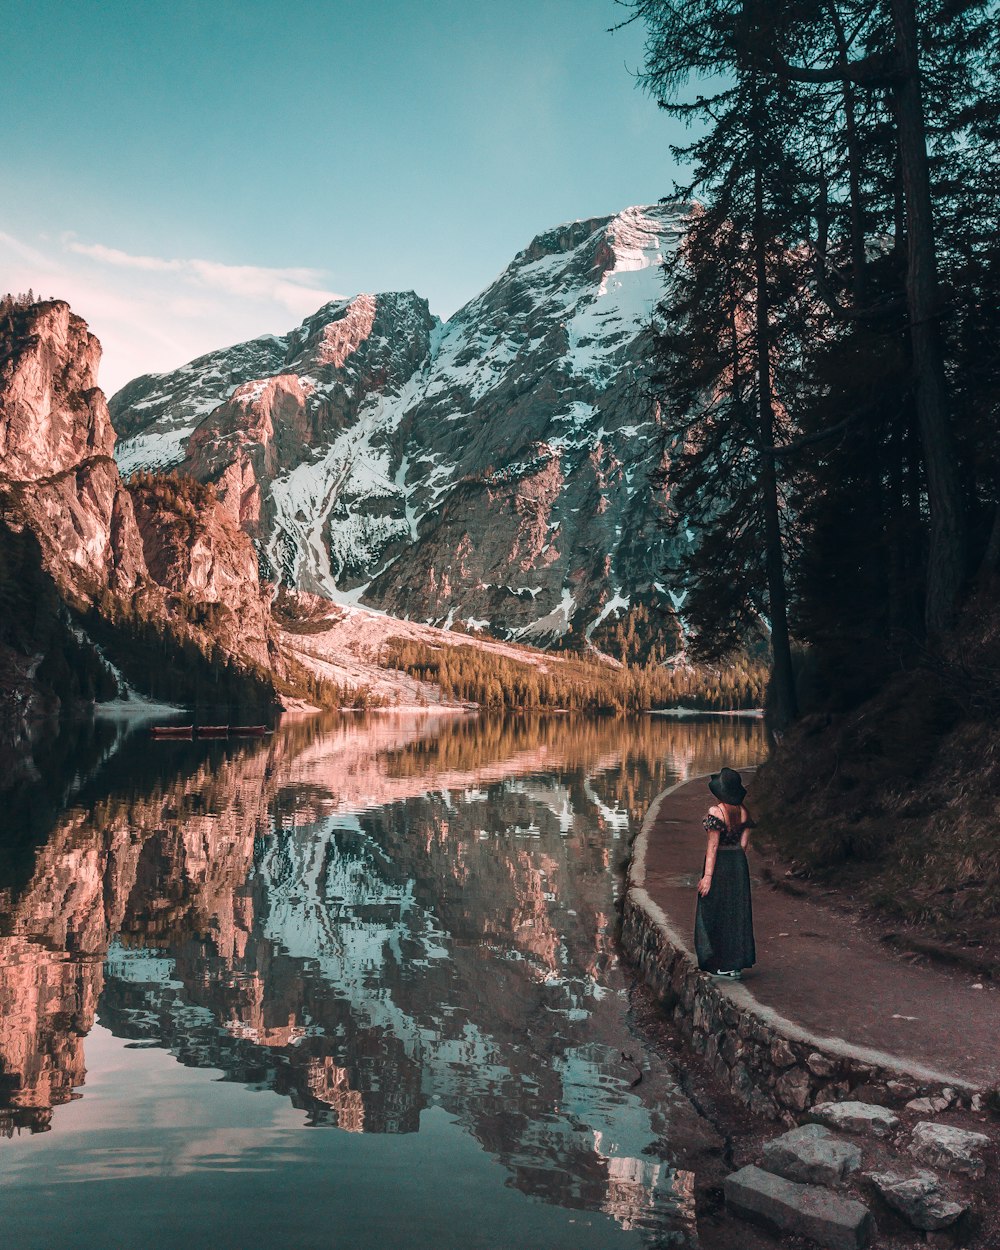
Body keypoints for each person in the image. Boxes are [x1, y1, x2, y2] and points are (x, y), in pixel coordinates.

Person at [694, 767, 756, 979]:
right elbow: (744, 844)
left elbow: (712, 847)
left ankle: (721, 963)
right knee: (735, 912)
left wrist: (708, 877)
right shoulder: (744, 812)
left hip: (720, 865)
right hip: (738, 864)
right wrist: (736, 861)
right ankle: (736, 964)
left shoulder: (716, 812)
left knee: (714, 910)